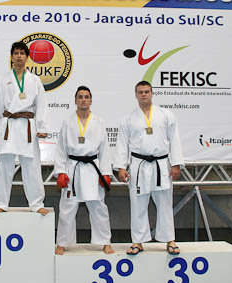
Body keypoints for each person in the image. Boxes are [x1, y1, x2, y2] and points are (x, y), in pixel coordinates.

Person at [114, 81, 183, 255]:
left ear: (152, 93)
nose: (144, 94)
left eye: (146, 91)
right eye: (140, 92)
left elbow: (174, 140)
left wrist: (176, 164)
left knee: (165, 203)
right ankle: (137, 241)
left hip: (161, 164)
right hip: (139, 165)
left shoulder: (166, 115)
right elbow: (122, 144)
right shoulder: (128, 119)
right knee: (138, 203)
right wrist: (121, 167)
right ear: (136, 95)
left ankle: (170, 240)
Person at [0, 42, 49, 216]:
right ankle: (1, 203)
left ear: (27, 57)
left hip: (28, 127)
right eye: (16, 53)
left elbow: (41, 105)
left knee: (32, 166)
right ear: (11, 57)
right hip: (8, 125)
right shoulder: (2, 80)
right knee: (4, 166)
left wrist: (42, 127)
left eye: (22, 53)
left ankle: (37, 203)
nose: (19, 56)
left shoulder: (35, 80)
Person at [54, 86, 114, 255]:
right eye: (80, 97)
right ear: (75, 100)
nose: (83, 100)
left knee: (98, 207)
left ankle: (105, 242)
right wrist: (61, 171)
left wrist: (105, 173)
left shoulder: (99, 122)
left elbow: (104, 149)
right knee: (67, 207)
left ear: (91, 100)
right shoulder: (68, 122)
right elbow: (61, 149)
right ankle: (62, 243)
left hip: (93, 168)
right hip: (73, 168)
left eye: (86, 97)